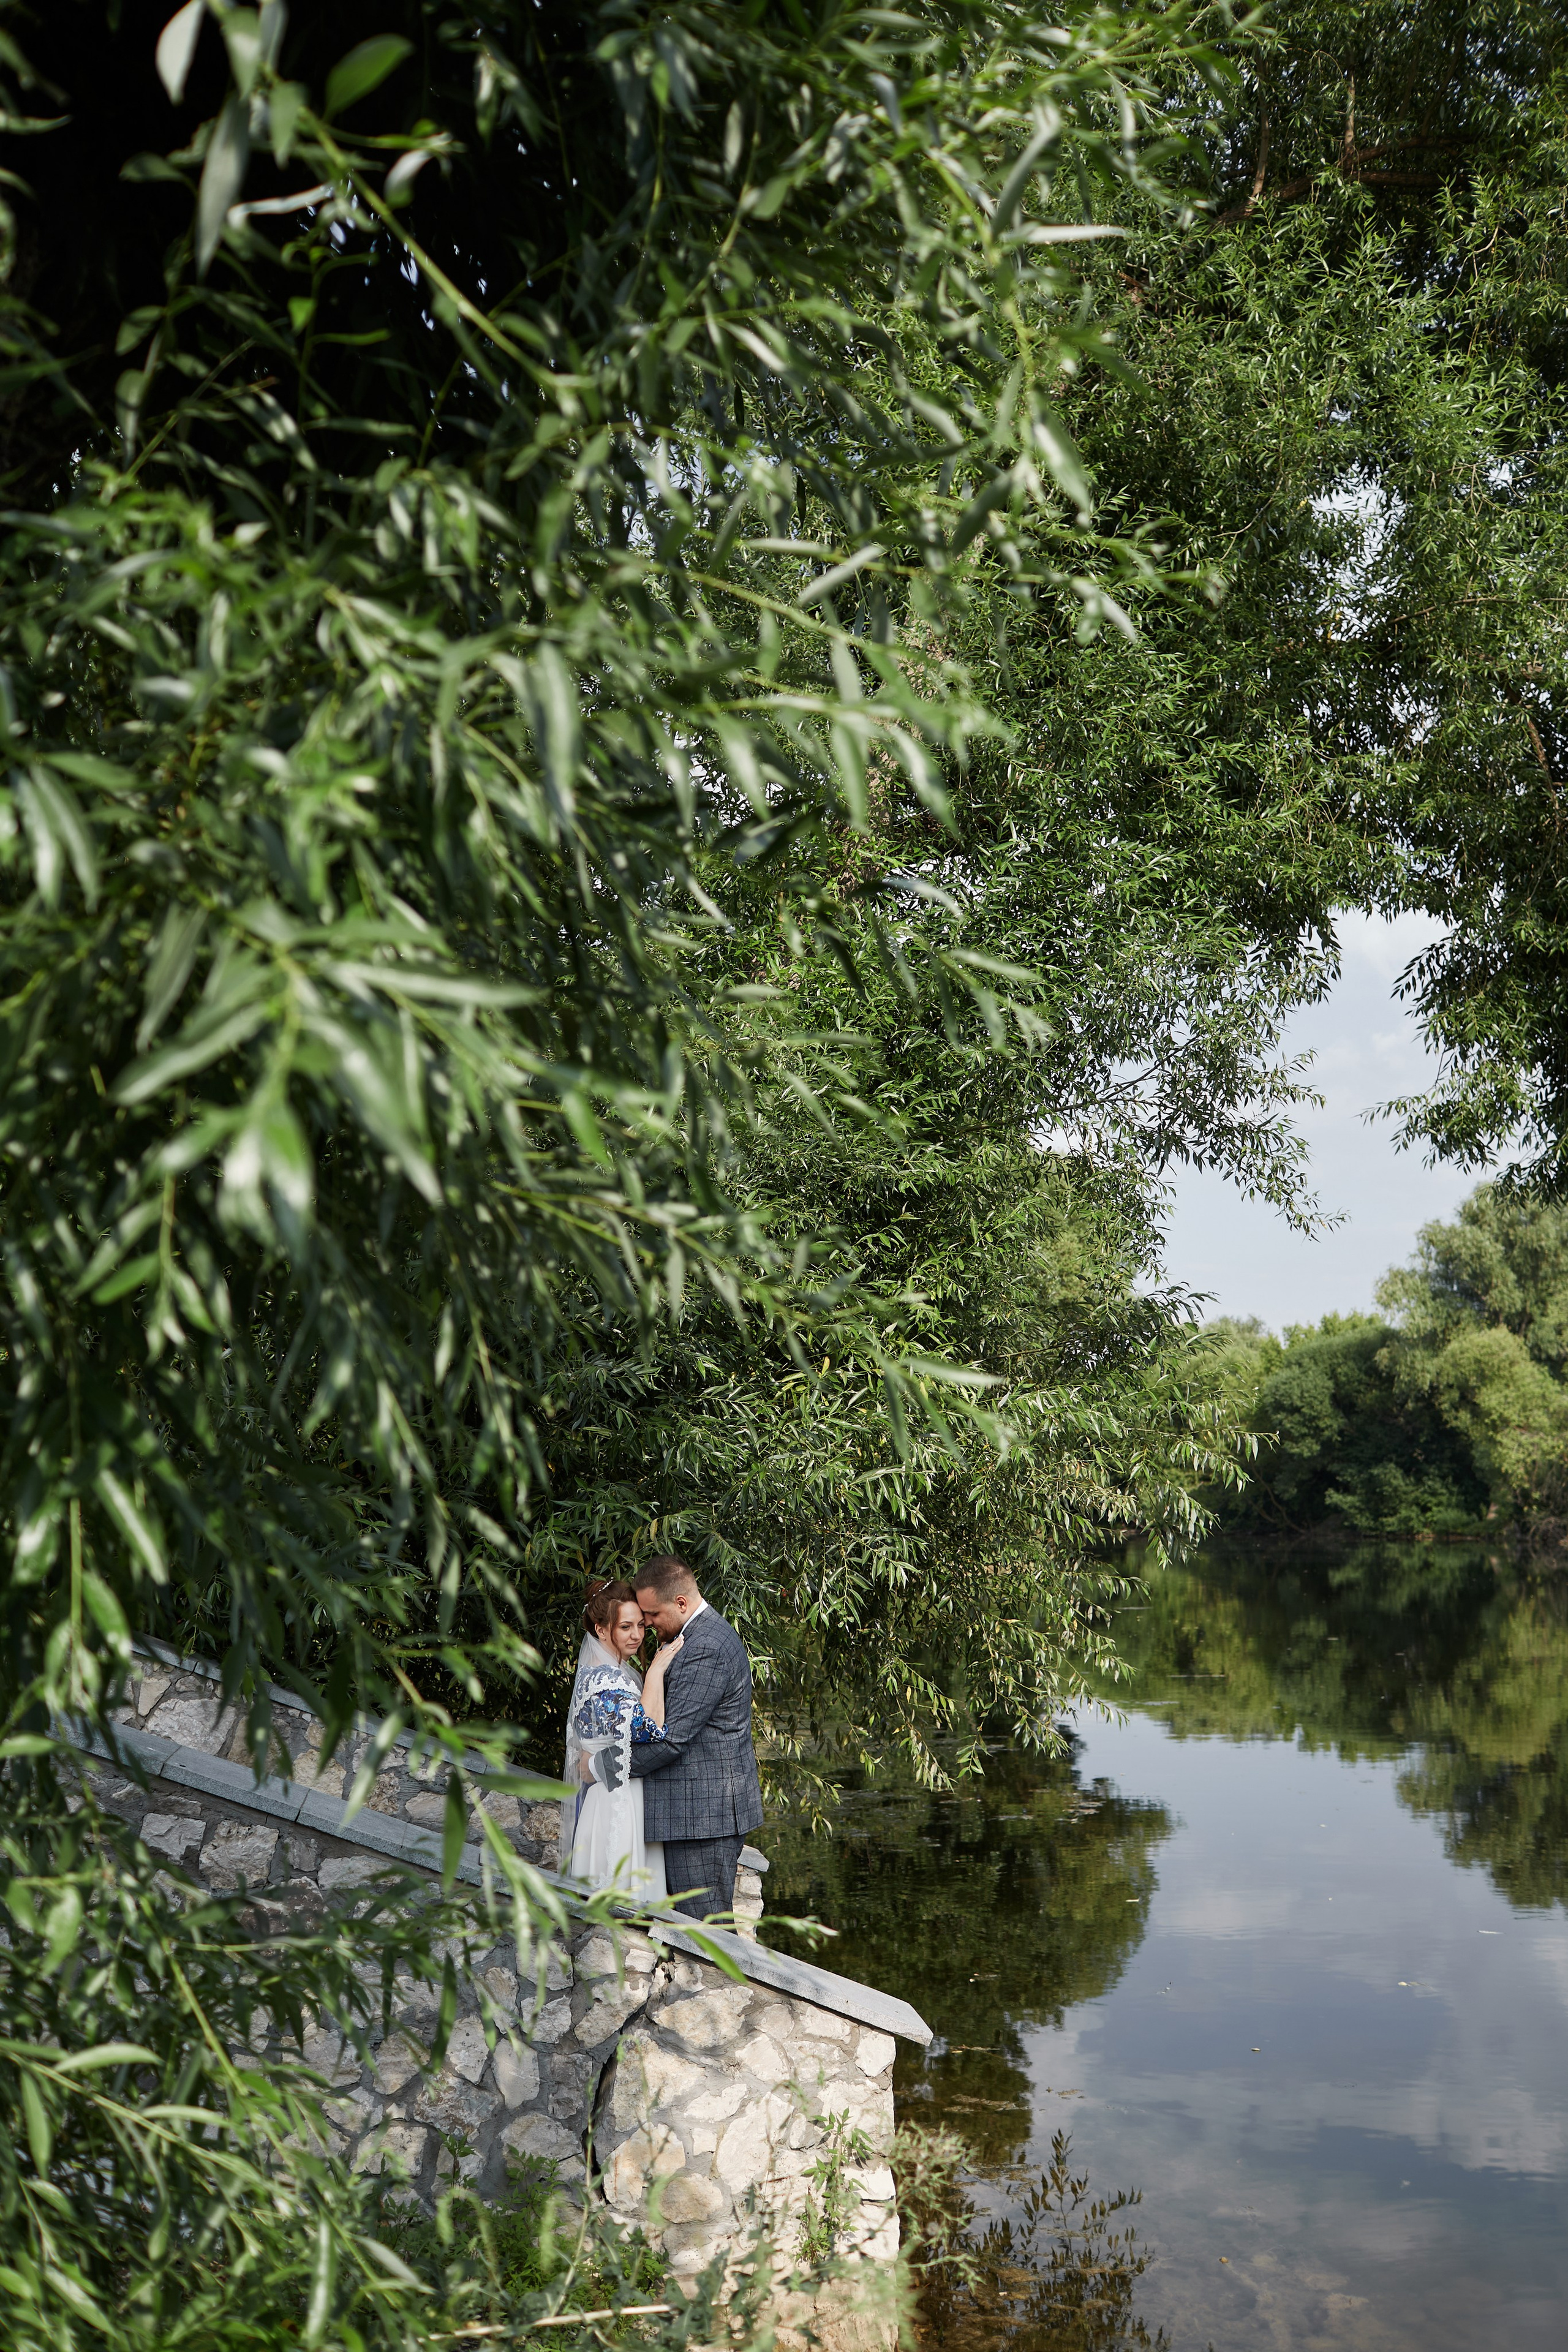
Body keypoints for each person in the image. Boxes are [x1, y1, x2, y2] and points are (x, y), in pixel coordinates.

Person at [621, 1554, 764, 1922]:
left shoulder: (706, 1647)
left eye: (652, 1614)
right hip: (694, 1813)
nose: (647, 1623)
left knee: (706, 1934)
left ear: (681, 1603)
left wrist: (611, 1765)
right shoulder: (692, 1637)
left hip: (703, 1818)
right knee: (689, 1932)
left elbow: (672, 1740)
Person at [564, 1580, 682, 1899]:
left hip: (622, 1793)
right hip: (616, 1802)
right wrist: (656, 1672)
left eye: (641, 1625)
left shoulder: (614, 1671)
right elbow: (648, 1730)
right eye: (626, 1627)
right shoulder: (604, 1679)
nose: (637, 1635)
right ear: (602, 1630)